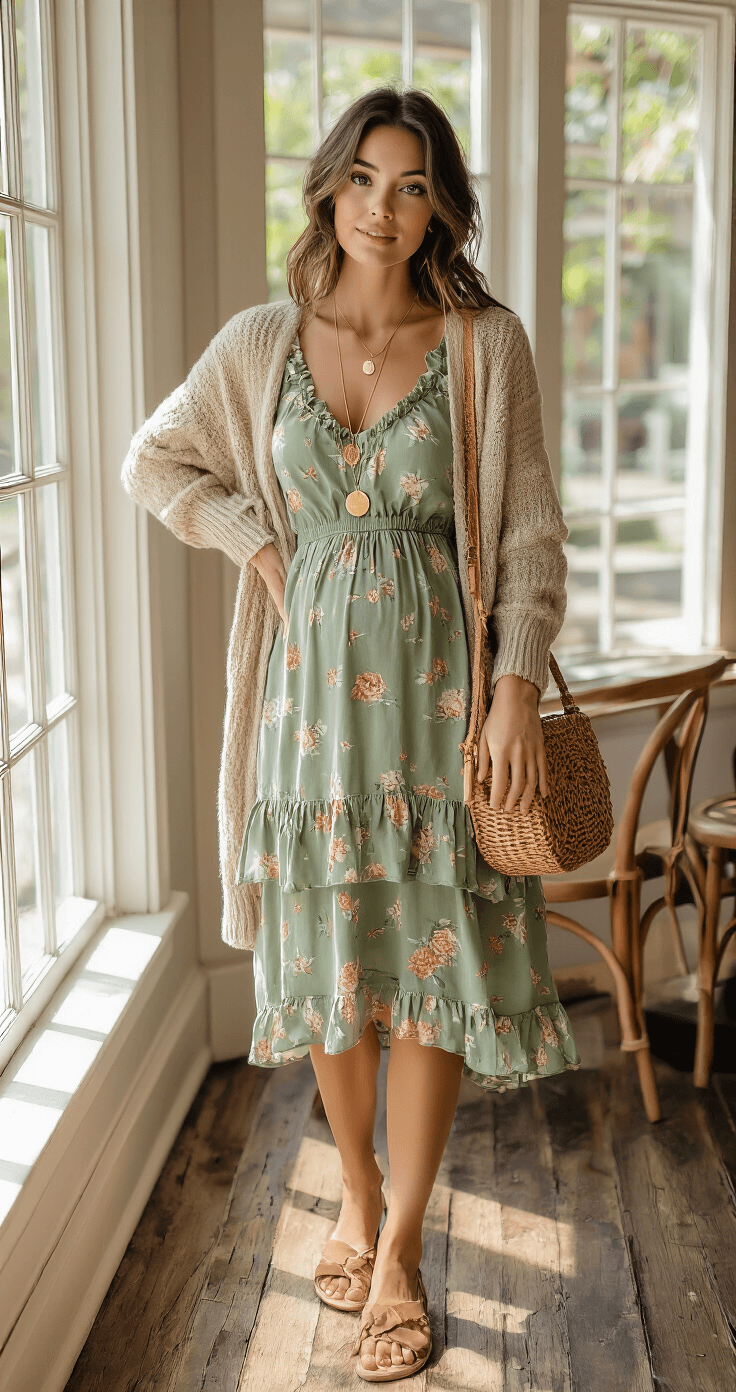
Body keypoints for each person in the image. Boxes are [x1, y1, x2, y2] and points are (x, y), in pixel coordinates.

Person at [122, 86, 580, 1383]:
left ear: (441, 202)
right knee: (334, 971)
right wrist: (257, 541)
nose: (387, 209)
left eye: (416, 184)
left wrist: (512, 687)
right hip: (309, 718)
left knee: (427, 967)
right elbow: (155, 463)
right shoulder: (265, 339)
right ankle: (358, 1192)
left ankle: (403, 1249)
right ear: (328, 189)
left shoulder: (486, 344)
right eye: (367, 181)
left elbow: (533, 537)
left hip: (444, 707)